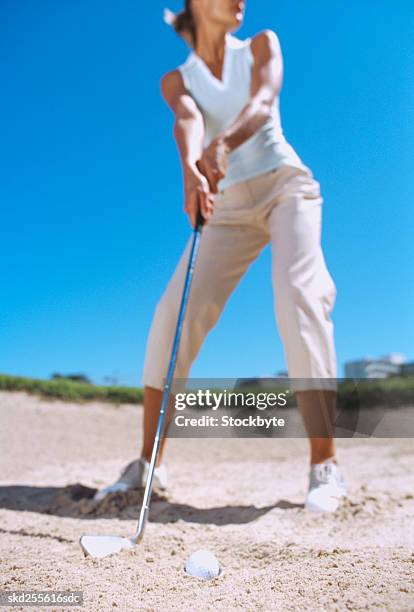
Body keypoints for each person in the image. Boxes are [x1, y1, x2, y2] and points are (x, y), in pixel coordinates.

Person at [95, 0, 346, 512]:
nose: (241, 2)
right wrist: (191, 167)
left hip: (286, 190)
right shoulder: (176, 80)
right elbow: (186, 121)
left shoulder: (260, 44)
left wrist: (223, 144)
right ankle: (149, 464)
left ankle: (325, 464)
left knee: (299, 297)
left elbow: (262, 102)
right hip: (226, 205)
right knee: (173, 318)